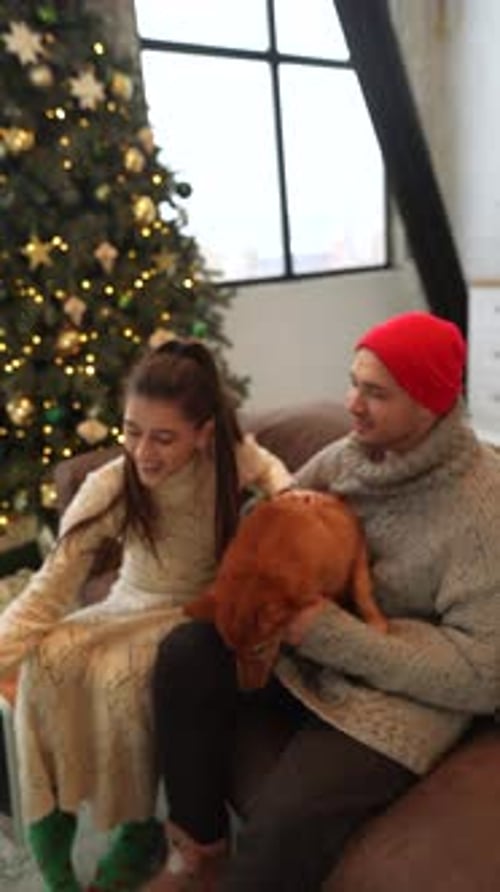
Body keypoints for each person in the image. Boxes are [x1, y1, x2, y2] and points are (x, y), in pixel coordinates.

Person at [147, 311, 500, 892]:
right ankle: (199, 855)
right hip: (310, 651)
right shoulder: (347, 457)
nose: (352, 404)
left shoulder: (479, 512)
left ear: (431, 403)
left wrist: (330, 632)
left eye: (375, 393)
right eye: (354, 383)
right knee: (186, 652)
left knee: (280, 827)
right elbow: (274, 523)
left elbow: (483, 675)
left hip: (398, 698)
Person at [0, 338, 292, 892]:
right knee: (47, 659)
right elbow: (49, 587)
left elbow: (275, 473)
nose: (143, 453)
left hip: (191, 613)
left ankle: (138, 833)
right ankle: (50, 830)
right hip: (128, 600)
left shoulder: (229, 459)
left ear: (204, 433)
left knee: (124, 678)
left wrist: (288, 495)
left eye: (163, 438)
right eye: (131, 432)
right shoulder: (110, 485)